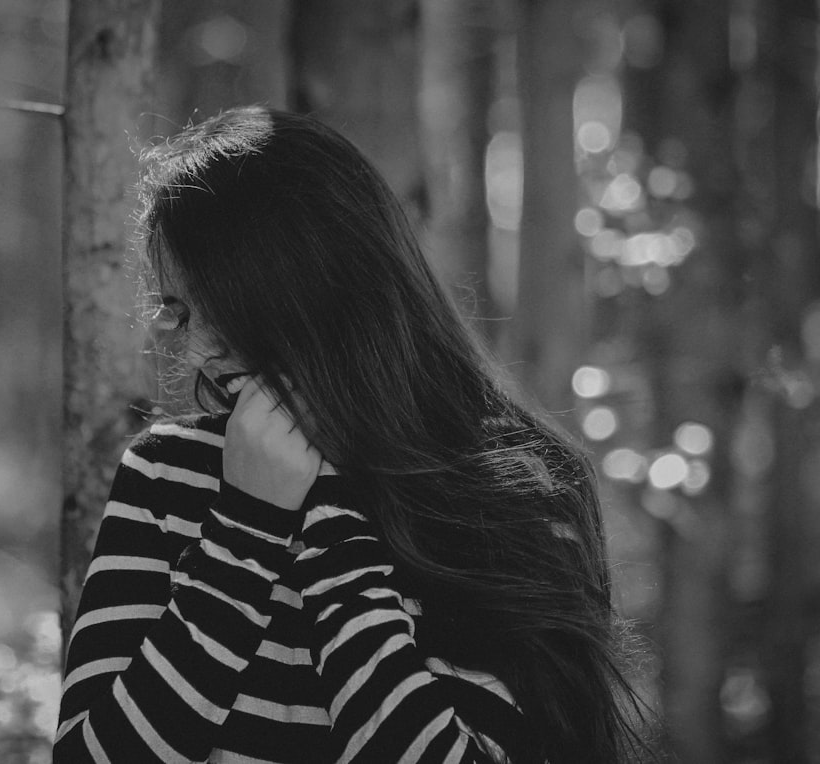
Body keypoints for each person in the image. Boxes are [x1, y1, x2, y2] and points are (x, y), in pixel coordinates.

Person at [54, 106, 648, 763]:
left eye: (217, 307)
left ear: (309, 290)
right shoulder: (167, 476)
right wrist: (243, 530)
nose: (194, 352)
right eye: (178, 309)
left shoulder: (518, 497)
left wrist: (331, 519)